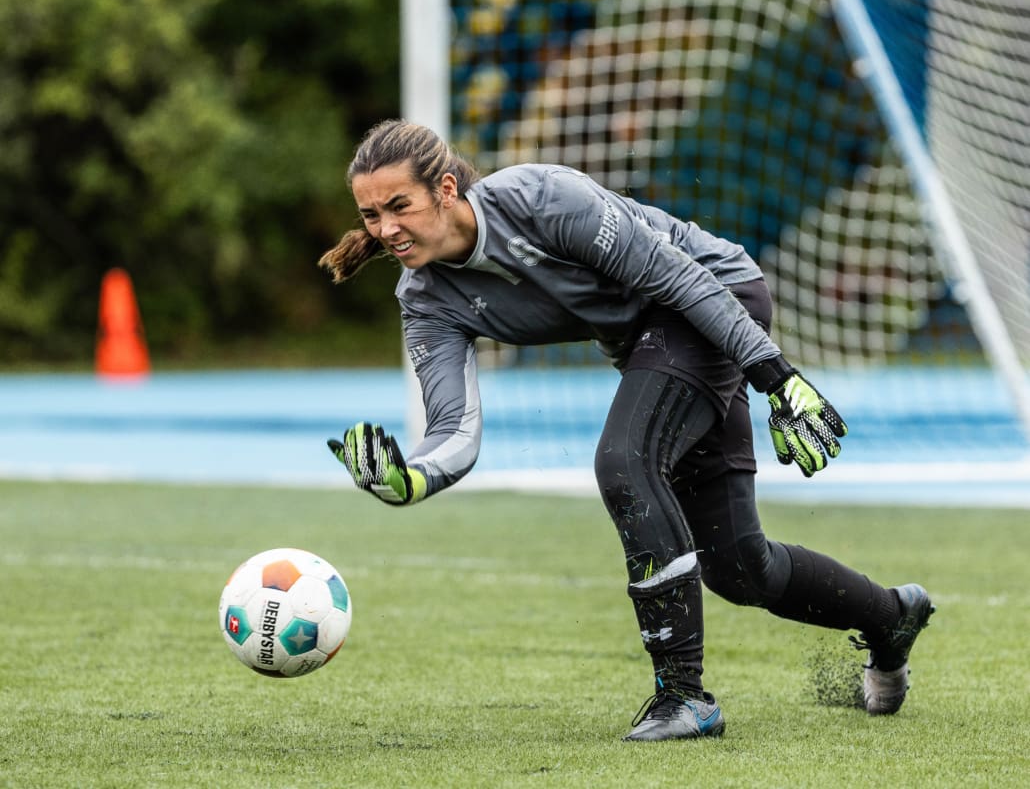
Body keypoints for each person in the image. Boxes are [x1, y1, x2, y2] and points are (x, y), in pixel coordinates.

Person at [319, 119, 934, 742]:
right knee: (742, 571)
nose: (386, 230)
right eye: (371, 215)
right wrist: (411, 479)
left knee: (625, 462)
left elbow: (678, 279)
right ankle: (892, 617)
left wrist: (776, 374)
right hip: (651, 344)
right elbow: (453, 428)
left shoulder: (543, 199)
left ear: (445, 189)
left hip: (715, 300)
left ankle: (684, 697)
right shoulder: (424, 298)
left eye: (400, 207)